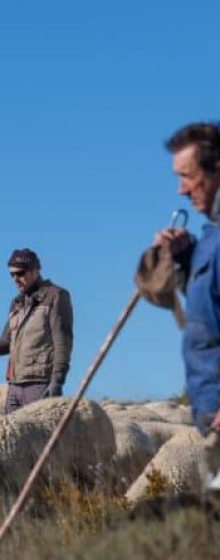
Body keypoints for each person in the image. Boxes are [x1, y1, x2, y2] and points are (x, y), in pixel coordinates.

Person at [152, 121, 220, 487]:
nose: (181, 189)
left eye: (187, 176)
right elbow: (208, 313)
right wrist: (183, 260)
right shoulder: (210, 238)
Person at [0, 248, 73, 414]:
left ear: (35, 270)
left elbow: (63, 343)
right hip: (14, 386)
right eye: (11, 275)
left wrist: (57, 382)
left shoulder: (56, 296)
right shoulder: (16, 303)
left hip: (40, 384)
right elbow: (5, 342)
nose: (15, 279)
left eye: (20, 273)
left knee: (40, 439)